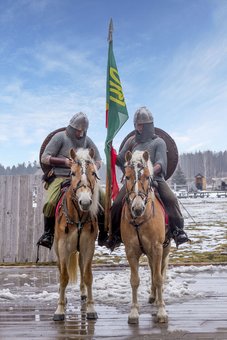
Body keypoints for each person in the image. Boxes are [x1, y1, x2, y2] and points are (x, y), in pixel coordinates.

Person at [106, 106, 189, 251]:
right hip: (134, 182)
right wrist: (110, 149)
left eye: (141, 125)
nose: (138, 128)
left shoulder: (159, 142)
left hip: (155, 179)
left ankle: (177, 231)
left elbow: (161, 163)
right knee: (118, 203)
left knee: (171, 199)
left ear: (148, 125)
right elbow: (120, 160)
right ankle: (114, 235)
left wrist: (148, 172)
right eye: (137, 125)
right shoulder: (132, 141)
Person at [37, 112, 108, 250]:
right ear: (72, 127)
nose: (80, 133)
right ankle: (48, 234)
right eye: (78, 130)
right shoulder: (60, 137)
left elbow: (98, 160)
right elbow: (45, 158)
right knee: (50, 202)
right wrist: (64, 162)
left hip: (83, 178)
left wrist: (93, 166)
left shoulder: (87, 141)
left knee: (104, 198)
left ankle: (104, 234)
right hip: (61, 176)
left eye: (83, 130)